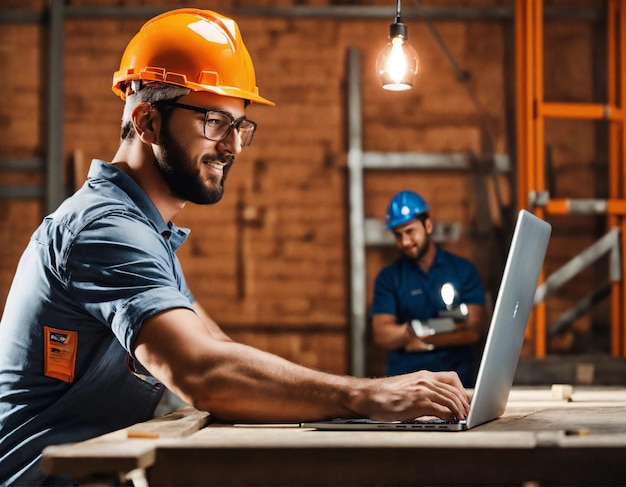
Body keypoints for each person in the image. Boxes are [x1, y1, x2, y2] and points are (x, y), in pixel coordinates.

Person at [0, 9, 469, 486]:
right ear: (146, 122)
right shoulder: (105, 228)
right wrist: (364, 396)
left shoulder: (145, 232)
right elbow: (200, 371)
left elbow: (214, 347)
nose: (234, 147)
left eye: (239, 126)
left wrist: (369, 393)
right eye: (214, 122)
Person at [370, 190, 486, 387]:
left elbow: (473, 329)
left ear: (428, 225)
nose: (405, 242)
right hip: (405, 387)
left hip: (458, 384)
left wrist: (413, 335)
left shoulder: (463, 270)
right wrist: (449, 326)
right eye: (398, 235)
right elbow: (382, 335)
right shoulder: (388, 278)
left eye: (410, 231)